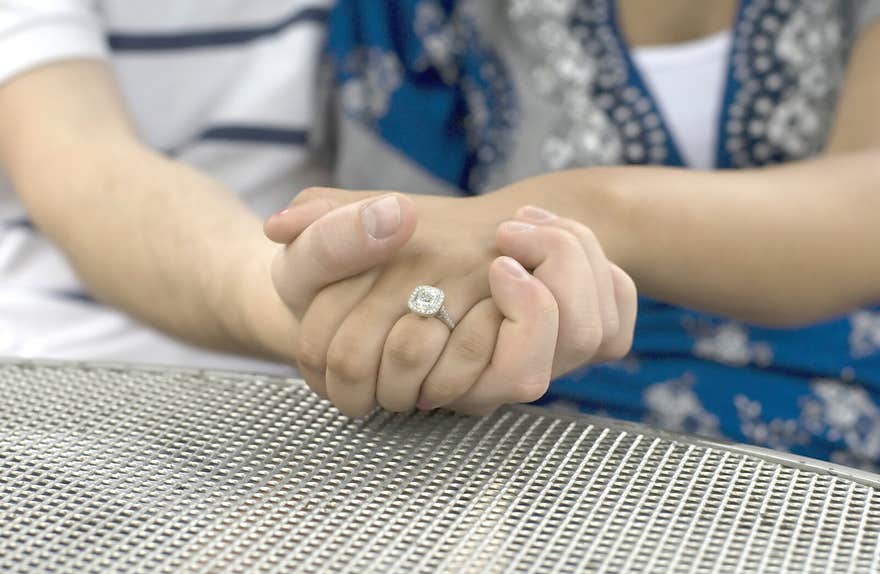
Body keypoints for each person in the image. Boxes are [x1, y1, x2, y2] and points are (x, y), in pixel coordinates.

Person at [1, 1, 879, 470]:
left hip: (835, 436)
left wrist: (572, 213)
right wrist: (353, 309)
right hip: (523, 436)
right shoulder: (406, 18)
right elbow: (86, 172)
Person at [267, 0, 880, 470]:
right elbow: (407, 273)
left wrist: (560, 216)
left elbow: (860, 211)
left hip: (836, 462)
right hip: (525, 461)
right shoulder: (411, 15)